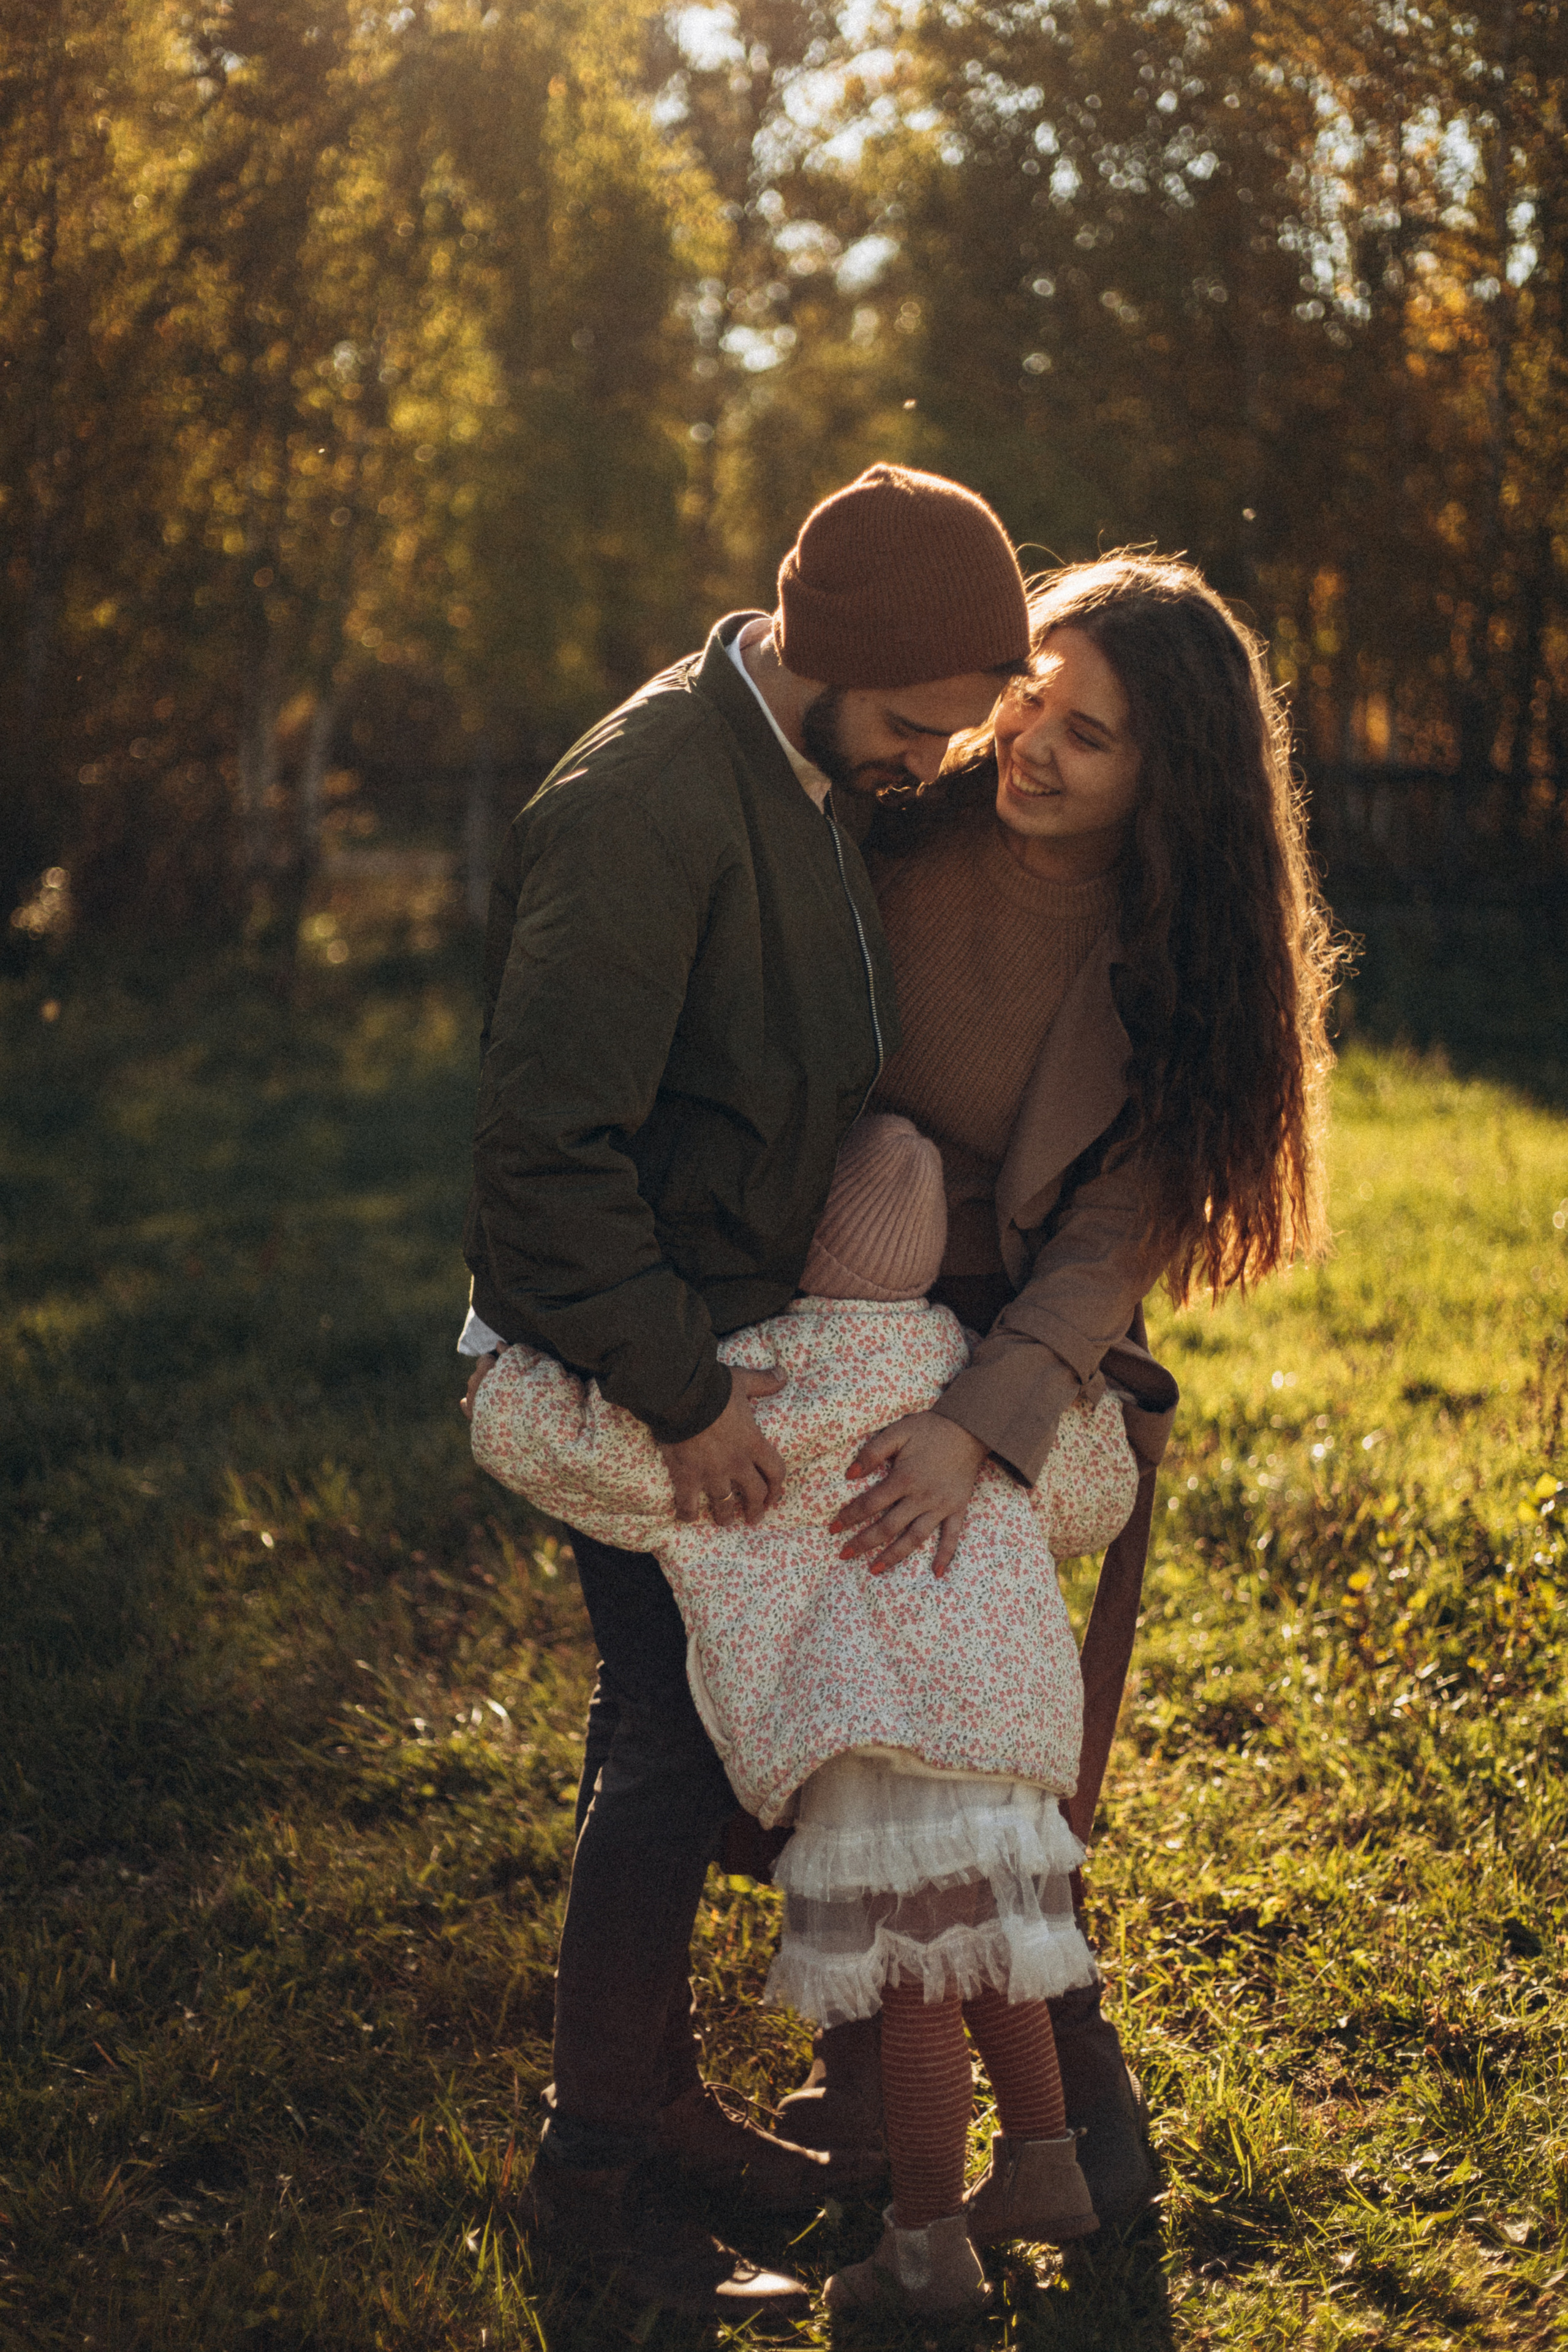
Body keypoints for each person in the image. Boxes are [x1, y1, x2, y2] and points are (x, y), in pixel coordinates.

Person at [456, 464, 1033, 2316]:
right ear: (832, 654)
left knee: (694, 1726)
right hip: (632, 1356)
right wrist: (688, 1393)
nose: (941, 756)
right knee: (669, 1740)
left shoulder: (807, 777)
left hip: (735, 1342)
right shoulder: (645, 802)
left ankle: (656, 2104)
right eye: (924, 717)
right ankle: (604, 2180)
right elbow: (546, 1156)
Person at [778, 551, 1340, 2237]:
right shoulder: (900, 825)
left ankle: (1062, 2130)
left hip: (1010, 1351)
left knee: (970, 1743)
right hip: (813, 1297)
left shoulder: (1177, 964)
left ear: (1165, 784)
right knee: (827, 1718)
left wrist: (979, 1425)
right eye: (1033, 692)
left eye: (1089, 738)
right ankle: (913, 2095)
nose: (1031, 742)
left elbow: (1107, 1249)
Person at [467, 1109, 1142, 2314]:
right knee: (994, 1952)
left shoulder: (756, 1382)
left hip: (871, 1739)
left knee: (920, 1987)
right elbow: (1092, 1495)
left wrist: (501, 1378)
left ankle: (925, 2246)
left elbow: (590, 1456)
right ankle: (1046, 2160)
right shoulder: (967, 1382)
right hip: (999, 1729)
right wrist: (1088, 1411)